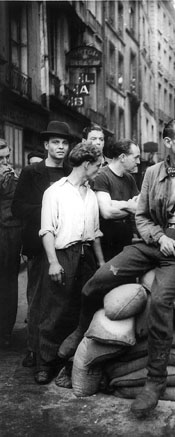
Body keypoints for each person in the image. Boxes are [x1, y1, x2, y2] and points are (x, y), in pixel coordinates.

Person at [60, 117, 175, 418]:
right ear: (167, 142)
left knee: (160, 300)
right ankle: (80, 329)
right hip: (155, 240)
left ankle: (154, 382)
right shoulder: (153, 172)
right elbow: (141, 216)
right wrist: (159, 236)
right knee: (98, 279)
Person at [36, 142, 104, 385]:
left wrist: (101, 263)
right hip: (63, 255)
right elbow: (47, 231)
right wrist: (53, 263)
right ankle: (45, 364)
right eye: (97, 165)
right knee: (55, 310)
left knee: (81, 311)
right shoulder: (54, 192)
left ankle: (69, 364)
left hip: (86, 256)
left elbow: (95, 233)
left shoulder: (92, 195)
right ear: (86, 164)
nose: (99, 169)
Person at [12, 121, 72, 370]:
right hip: (38, 246)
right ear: (46, 145)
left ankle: (54, 352)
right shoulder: (31, 172)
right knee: (37, 300)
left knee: (61, 301)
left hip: (66, 245)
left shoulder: (71, 172)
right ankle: (34, 351)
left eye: (65, 142)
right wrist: (49, 211)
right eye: (55, 142)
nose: (60, 147)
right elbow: (18, 208)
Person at [93, 139, 140, 261]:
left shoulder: (130, 179)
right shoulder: (102, 176)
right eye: (136, 157)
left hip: (126, 238)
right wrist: (130, 206)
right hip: (107, 240)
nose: (138, 162)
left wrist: (117, 204)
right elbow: (107, 213)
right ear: (123, 157)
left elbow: (140, 207)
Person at [0, 139, 22, 348]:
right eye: (0, 158)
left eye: (7, 157)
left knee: (8, 285)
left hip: (10, 236)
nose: (6, 162)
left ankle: (5, 332)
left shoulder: (12, 176)